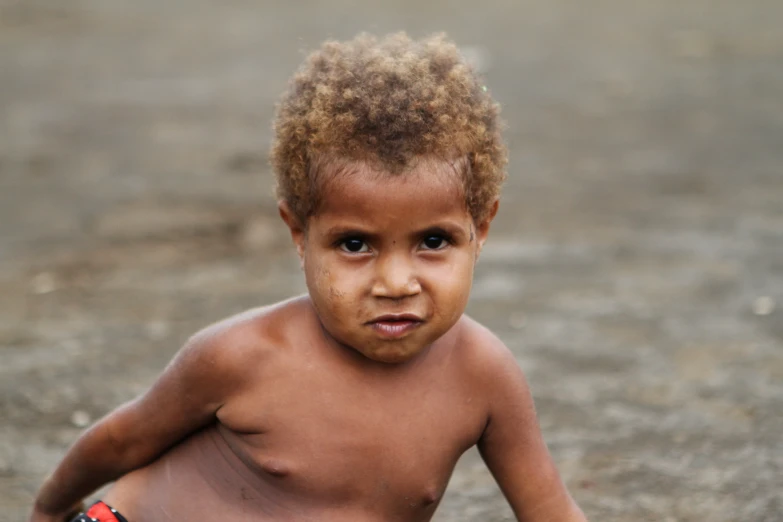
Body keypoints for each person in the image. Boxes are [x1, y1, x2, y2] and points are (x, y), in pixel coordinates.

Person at [30, 33, 587, 522]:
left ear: (481, 229)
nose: (395, 282)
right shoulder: (241, 355)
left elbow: (550, 511)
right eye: (354, 244)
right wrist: (51, 507)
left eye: (433, 242)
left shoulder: (484, 377)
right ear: (299, 234)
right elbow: (123, 439)